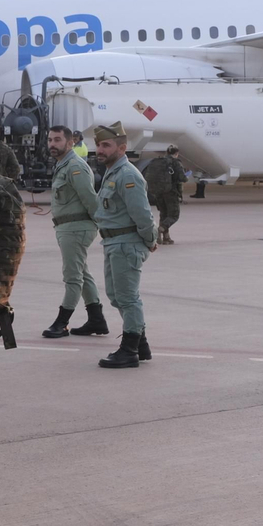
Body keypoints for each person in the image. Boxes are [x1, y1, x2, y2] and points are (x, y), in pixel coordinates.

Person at [93, 122, 157, 369]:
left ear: (122, 148)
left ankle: (129, 349)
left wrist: (150, 241)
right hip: (113, 242)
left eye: (106, 145)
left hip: (126, 243)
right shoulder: (113, 171)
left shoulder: (128, 175)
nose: (100, 149)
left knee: (128, 298)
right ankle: (141, 345)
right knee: (116, 296)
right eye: (99, 145)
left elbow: (142, 214)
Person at [40, 125, 107, 339]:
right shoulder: (63, 165)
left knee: (72, 277)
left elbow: (90, 198)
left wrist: (103, 226)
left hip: (76, 228)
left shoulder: (75, 166)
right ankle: (97, 320)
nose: (52, 144)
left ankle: (61, 322)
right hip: (67, 227)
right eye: (50, 140)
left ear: (70, 143)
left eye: (57, 140)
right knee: (82, 274)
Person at [142, 145, 187, 245]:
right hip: (171, 192)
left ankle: (166, 238)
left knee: (164, 213)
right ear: (176, 153)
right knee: (174, 215)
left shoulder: (159, 162)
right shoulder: (175, 162)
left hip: (159, 192)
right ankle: (161, 229)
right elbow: (182, 178)